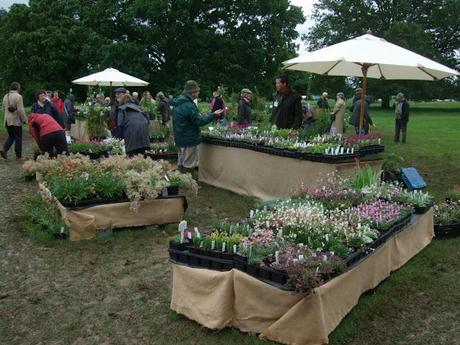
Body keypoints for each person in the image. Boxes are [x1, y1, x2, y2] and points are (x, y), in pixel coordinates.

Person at [172, 80, 223, 170]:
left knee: (181, 163)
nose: (199, 93)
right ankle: (188, 183)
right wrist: (213, 115)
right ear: (192, 93)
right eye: (197, 91)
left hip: (179, 138)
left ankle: (180, 181)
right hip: (189, 139)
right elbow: (199, 121)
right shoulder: (189, 105)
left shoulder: (177, 102)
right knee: (189, 165)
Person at [1, 82, 27, 160]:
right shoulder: (19, 96)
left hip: (7, 120)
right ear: (18, 87)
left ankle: (4, 150)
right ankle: (18, 156)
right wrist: (25, 120)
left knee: (11, 136)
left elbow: (3, 109)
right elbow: (20, 110)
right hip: (16, 120)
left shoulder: (5, 96)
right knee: (18, 138)